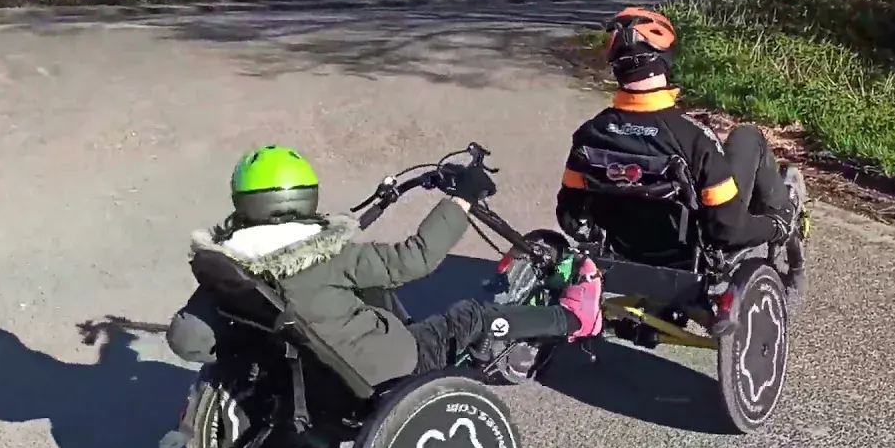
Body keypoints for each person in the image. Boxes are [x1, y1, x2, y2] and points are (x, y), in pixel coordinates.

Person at [167, 145, 602, 385]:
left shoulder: (232, 267)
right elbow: (416, 258)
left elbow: (188, 338)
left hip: (312, 379)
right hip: (386, 367)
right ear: (304, 197)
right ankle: (573, 317)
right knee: (473, 317)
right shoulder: (330, 257)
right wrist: (461, 200)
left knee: (371, 297)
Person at [555, 7, 804, 280]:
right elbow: (728, 231)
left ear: (615, 66)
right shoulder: (696, 138)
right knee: (747, 137)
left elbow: (570, 218)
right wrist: (773, 227)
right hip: (689, 263)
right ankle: (784, 214)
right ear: (664, 60)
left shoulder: (588, 135)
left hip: (622, 255)